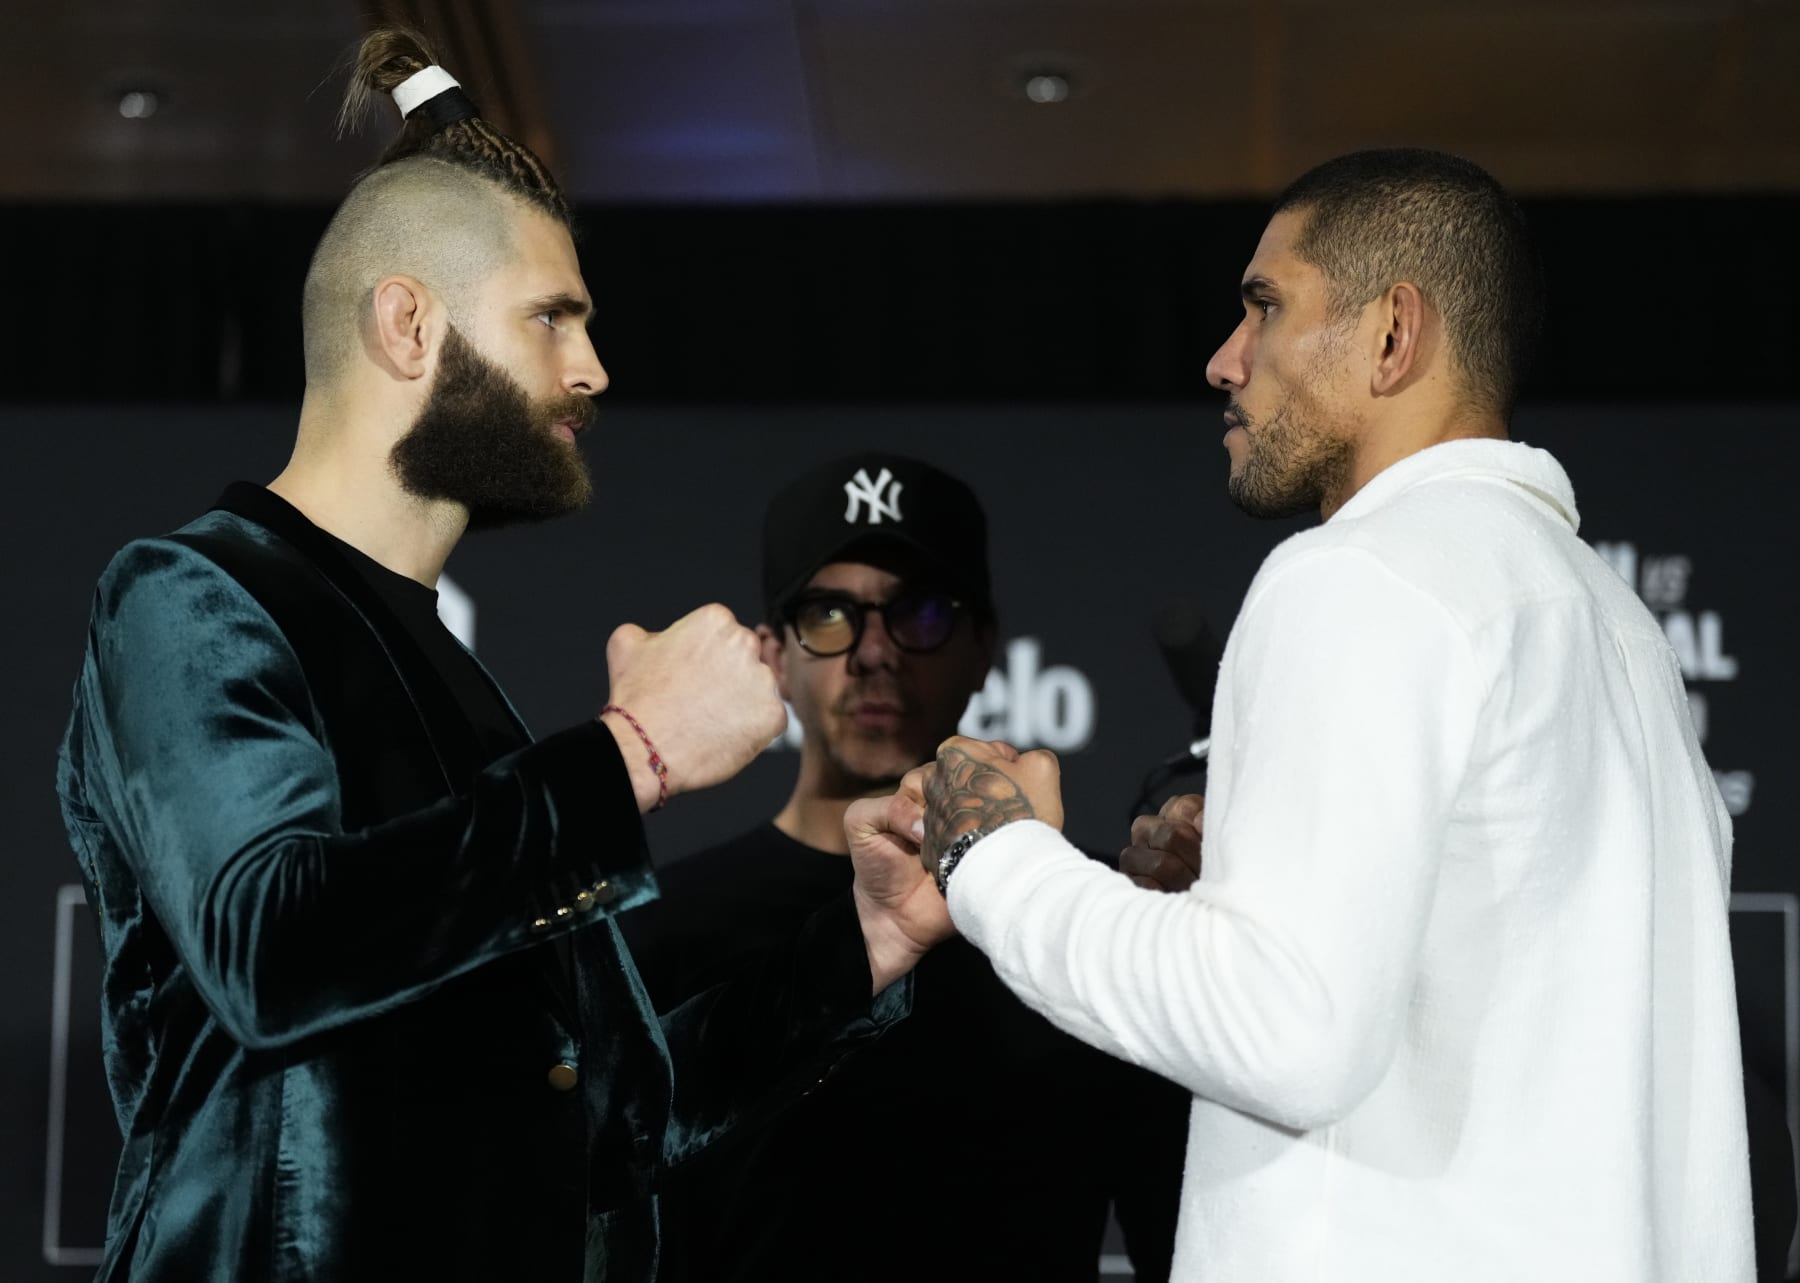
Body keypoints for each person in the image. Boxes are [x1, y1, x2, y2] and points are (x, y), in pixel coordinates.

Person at [54, 31, 949, 1283]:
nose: (591, 367)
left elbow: (610, 1118)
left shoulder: (459, 688)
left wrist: (864, 943)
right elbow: (274, 945)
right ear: (408, 324)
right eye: (550, 317)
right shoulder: (191, 596)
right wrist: (633, 752)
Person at [861, 149, 1757, 1281]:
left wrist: (995, 856)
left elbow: (1283, 1026)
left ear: (1394, 334)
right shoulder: (1620, 628)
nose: (1225, 360)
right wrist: (1238, 886)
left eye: (1266, 307)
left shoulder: (1361, 573)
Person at [622, 454, 1189, 1282]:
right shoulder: (668, 929)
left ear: (984, 645)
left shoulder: (1088, 922)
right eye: (829, 613)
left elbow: (1179, 1241)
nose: (876, 652)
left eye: (919, 611)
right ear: (774, 653)